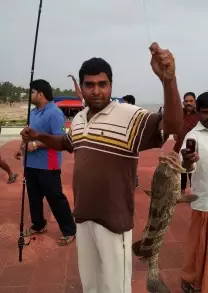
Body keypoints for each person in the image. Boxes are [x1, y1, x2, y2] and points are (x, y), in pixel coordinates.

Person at [20, 42, 183, 293]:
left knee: (115, 287)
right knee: (91, 285)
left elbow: (171, 126)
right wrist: (38, 135)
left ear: (111, 86)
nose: (96, 90)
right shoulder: (80, 118)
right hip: (83, 217)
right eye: (89, 85)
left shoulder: (130, 115)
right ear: (82, 88)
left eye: (102, 84)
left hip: (114, 222)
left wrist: (168, 81)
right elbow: (65, 142)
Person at [14, 79, 76, 246]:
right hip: (30, 164)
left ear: (40, 94)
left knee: (55, 198)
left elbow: (60, 139)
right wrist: (22, 146)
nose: (30, 95)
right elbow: (28, 134)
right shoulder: (33, 112)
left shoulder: (55, 113)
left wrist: (36, 144)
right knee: (33, 197)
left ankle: (69, 230)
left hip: (49, 165)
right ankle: (39, 224)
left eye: (32, 92)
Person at [180, 90, 208, 293]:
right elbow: (187, 166)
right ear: (197, 112)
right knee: (204, 250)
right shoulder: (193, 136)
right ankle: (197, 282)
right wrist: (187, 161)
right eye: (205, 113)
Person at [173, 92, 199, 195]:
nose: (188, 103)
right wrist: (174, 131)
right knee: (180, 173)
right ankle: (181, 194)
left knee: (194, 174)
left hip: (194, 150)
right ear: (183, 102)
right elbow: (173, 124)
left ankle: (194, 194)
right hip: (179, 148)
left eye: (191, 101)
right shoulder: (179, 113)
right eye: (186, 101)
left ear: (195, 102)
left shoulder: (199, 115)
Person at [122, 94, 139, 188]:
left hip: (132, 141)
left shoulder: (134, 113)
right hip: (126, 141)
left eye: (124, 102)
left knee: (131, 161)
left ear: (129, 103)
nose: (123, 104)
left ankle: (134, 181)